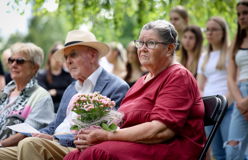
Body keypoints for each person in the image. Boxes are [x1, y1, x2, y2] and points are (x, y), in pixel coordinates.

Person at [64, 20, 205, 160]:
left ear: (169, 48)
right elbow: (120, 122)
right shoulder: (141, 82)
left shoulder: (178, 76)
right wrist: (93, 132)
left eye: (150, 43)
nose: (142, 48)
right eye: (140, 43)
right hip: (137, 144)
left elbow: (162, 130)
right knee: (73, 155)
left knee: (96, 154)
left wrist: (106, 135)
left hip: (170, 148)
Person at [0, 29, 129, 160]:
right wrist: (37, 134)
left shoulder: (116, 87)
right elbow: (56, 124)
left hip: (76, 148)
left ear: (92, 55)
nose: (68, 61)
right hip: (52, 143)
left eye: (73, 55)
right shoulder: (71, 88)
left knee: (30, 144)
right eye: (66, 57)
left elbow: (104, 132)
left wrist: (55, 138)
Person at [225, 1, 248, 160]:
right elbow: (231, 78)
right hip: (241, 93)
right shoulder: (236, 42)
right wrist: (242, 103)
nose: (241, 17)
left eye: (246, 13)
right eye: (238, 14)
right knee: (233, 149)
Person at [0, 42, 55, 142]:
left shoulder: (42, 97)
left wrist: (1, 144)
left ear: (35, 67)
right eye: (11, 60)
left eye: (20, 61)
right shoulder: (4, 93)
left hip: (14, 150)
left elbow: (25, 134)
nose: (13, 64)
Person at [197, 16, 233, 160]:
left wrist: (225, 105)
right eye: (207, 30)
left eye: (214, 29)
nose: (209, 33)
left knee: (232, 150)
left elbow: (234, 82)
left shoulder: (231, 53)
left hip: (228, 107)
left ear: (223, 32)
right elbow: (199, 86)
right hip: (211, 110)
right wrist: (207, 107)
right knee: (217, 153)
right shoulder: (204, 56)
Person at [37, 43, 74, 112]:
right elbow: (43, 96)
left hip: (65, 109)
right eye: (55, 57)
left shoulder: (69, 76)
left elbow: (72, 94)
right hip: (47, 110)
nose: (57, 60)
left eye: (60, 57)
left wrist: (56, 92)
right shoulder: (42, 75)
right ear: (50, 57)